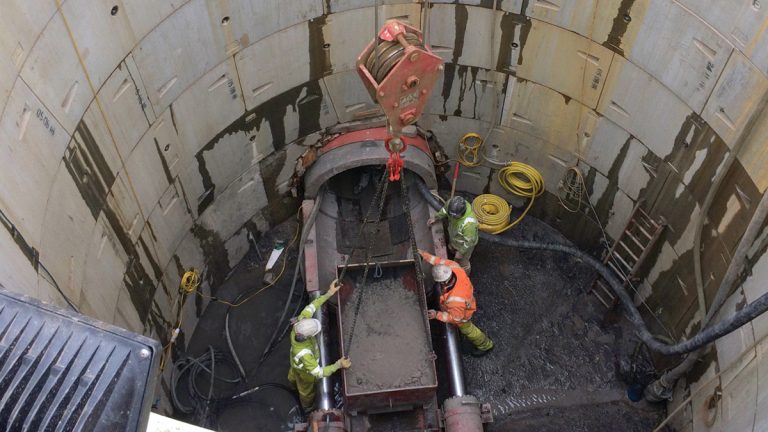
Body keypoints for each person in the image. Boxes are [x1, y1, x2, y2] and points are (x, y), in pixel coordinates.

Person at [288, 279, 351, 411]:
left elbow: (314, 305)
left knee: (293, 375)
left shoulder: (300, 322)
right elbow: (319, 373)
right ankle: (307, 408)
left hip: (295, 364)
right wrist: (337, 365)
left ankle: (292, 384)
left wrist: (329, 293)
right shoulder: (305, 355)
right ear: (307, 337)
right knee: (306, 392)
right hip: (305, 373)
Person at [418, 249, 494, 357]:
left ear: (443, 282)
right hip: (466, 300)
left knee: (469, 331)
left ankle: (486, 345)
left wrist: (437, 314)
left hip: (463, 315)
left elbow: (455, 318)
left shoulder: (454, 301)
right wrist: (424, 255)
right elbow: (438, 261)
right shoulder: (453, 266)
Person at [427, 196, 478, 274]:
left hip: (464, 245)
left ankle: (464, 275)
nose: (452, 217)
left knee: (462, 262)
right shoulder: (451, 205)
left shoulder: (469, 224)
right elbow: (444, 211)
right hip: (455, 237)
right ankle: (454, 254)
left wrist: (461, 252)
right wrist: (436, 217)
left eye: (455, 216)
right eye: (451, 215)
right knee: (452, 249)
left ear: (462, 213)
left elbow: (469, 242)